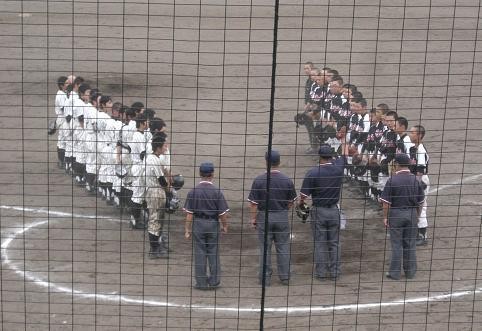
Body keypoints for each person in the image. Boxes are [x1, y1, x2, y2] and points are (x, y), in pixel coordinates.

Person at [298, 143, 348, 280]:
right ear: (331, 156)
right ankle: (335, 273)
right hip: (334, 211)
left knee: (320, 243)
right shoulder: (338, 169)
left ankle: (320, 274)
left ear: (319, 156)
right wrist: (344, 141)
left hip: (319, 211)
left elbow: (303, 196)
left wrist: (301, 204)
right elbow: (344, 156)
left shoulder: (313, 172)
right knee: (334, 243)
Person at [248, 150, 297, 286]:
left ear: (266, 162)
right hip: (281, 216)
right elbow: (291, 202)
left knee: (265, 249)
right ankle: (285, 277)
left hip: (264, 217)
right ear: (279, 162)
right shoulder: (287, 180)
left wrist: (253, 219)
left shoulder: (259, 180)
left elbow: (253, 204)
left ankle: (265, 279)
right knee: (283, 247)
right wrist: (282, 211)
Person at [183, 162, 229, 290]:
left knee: (199, 253)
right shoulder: (217, 192)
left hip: (198, 224)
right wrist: (225, 226)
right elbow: (222, 214)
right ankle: (214, 281)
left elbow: (189, 214)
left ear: (199, 174)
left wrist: (187, 229)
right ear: (212, 174)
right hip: (213, 224)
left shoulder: (193, 192)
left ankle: (201, 283)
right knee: (213, 252)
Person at [380, 153, 425, 280]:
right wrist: (417, 216)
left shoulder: (392, 180)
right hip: (411, 214)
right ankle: (410, 272)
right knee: (410, 244)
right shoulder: (415, 180)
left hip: (396, 214)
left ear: (397, 164)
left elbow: (386, 203)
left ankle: (394, 273)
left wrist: (385, 217)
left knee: (396, 244)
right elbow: (421, 202)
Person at [144, 135, 170, 259]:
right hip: (156, 192)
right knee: (155, 220)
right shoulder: (153, 159)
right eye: (164, 146)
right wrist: (169, 192)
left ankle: (156, 247)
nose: (166, 147)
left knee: (158, 220)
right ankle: (154, 250)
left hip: (154, 191)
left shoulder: (153, 158)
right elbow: (161, 180)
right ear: (158, 148)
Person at [408, 125, 430, 246]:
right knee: (414, 206)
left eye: (413, 133)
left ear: (419, 135)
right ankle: (416, 233)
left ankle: (423, 236)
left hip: (421, 180)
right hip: (414, 179)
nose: (410, 135)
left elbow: (420, 170)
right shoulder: (413, 149)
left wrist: (416, 184)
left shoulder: (420, 150)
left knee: (421, 206)